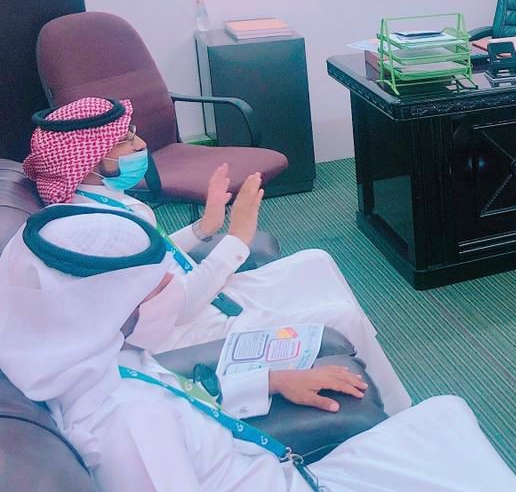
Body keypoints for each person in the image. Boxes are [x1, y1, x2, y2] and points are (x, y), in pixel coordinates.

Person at [0, 206, 516, 492]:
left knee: (445, 413)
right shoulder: (133, 429)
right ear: (111, 307)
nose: (174, 292)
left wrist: (269, 383)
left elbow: (177, 394)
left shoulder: (98, 361)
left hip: (284, 475)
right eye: (159, 287)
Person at [23, 96, 412, 414]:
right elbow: (182, 307)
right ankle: (394, 411)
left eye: (134, 134)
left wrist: (204, 228)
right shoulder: (99, 232)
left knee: (315, 260)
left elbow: (153, 253)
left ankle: (364, 360)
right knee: (341, 317)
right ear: (90, 160)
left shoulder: (99, 201)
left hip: (195, 300)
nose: (140, 146)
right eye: (125, 142)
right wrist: (237, 238)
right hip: (187, 333)